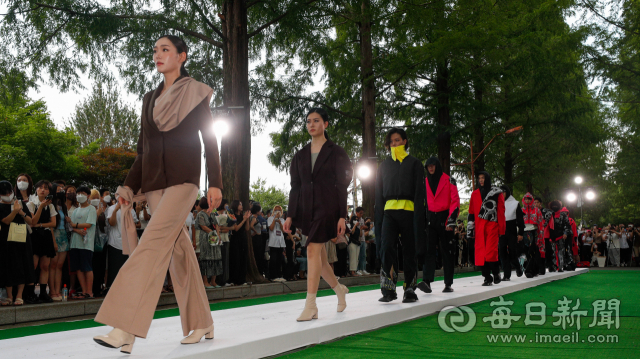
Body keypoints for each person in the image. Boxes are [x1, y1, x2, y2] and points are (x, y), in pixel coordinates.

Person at [93, 35, 222, 352]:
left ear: (182, 56)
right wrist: (128, 185)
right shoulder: (149, 98)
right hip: (152, 184)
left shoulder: (194, 93)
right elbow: (142, 150)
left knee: (151, 245)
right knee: (179, 252)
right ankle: (202, 321)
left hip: (183, 182)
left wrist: (215, 181)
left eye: (165, 49)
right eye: (155, 50)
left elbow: (210, 139)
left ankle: (125, 327)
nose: (158, 54)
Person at [284, 107, 352, 321]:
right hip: (306, 209)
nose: (311, 124)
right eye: (308, 121)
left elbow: (342, 185)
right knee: (320, 259)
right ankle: (339, 289)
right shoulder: (300, 155)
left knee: (312, 249)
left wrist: (342, 214)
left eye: (316, 120)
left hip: (328, 207)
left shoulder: (337, 152)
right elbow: (295, 186)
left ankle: (311, 305)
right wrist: (289, 215)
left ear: (326, 124)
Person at [374, 128, 426, 302]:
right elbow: (378, 194)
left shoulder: (415, 164)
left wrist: (420, 218)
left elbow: (420, 194)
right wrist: (379, 217)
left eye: (397, 140)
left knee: (409, 251)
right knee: (387, 247)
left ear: (405, 141)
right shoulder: (384, 165)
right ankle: (388, 289)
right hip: (389, 212)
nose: (394, 144)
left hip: (409, 211)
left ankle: (410, 289)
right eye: (391, 142)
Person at [419, 156, 459, 294]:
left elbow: (455, 201)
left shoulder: (449, 180)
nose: (430, 168)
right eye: (428, 166)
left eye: (433, 165)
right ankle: (427, 281)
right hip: (430, 220)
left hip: (445, 219)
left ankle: (448, 283)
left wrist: (451, 220)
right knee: (429, 251)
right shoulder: (424, 182)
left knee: (447, 252)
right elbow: (423, 203)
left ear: (437, 165)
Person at [0, 181, 36, 306]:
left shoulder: (19, 203)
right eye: (4, 193)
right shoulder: (0, 206)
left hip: (21, 239)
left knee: (22, 265)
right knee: (8, 266)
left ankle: (19, 295)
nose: (8, 195)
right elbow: (5, 221)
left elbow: (31, 220)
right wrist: (14, 211)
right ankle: (9, 296)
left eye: (9, 192)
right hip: (6, 240)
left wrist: (20, 212)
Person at [467, 171, 505, 286]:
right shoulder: (474, 194)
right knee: (481, 253)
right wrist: (470, 230)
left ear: (487, 179)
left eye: (483, 178)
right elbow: (471, 213)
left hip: (492, 225)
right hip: (479, 227)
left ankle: (496, 272)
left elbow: (501, 211)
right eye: (479, 178)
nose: (481, 180)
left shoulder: (496, 193)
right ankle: (487, 277)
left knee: (490, 252)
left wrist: (501, 229)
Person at [27, 180, 58, 303]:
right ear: (36, 189)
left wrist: (40, 225)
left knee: (45, 266)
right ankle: (30, 293)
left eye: (46, 188)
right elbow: (32, 222)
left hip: (46, 236)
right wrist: (40, 207)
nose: (43, 190)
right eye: (40, 187)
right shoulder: (31, 204)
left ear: (49, 192)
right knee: (33, 266)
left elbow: (53, 223)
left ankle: (43, 293)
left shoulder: (51, 205)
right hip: (34, 237)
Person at [104, 192, 139, 289]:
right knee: (115, 268)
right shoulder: (111, 209)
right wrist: (116, 210)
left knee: (127, 268)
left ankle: (127, 289)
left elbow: (134, 225)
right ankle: (113, 289)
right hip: (115, 244)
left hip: (128, 244)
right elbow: (112, 223)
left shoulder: (130, 209)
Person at [67, 186, 97, 299]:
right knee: (78, 268)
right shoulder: (75, 210)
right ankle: (84, 291)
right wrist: (76, 229)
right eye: (78, 193)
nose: (80, 195)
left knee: (87, 267)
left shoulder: (91, 209)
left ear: (88, 196)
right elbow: (70, 226)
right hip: (75, 243)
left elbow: (89, 224)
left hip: (86, 244)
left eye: (83, 193)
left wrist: (75, 226)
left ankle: (89, 291)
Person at [498, 185, 525, 280]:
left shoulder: (515, 203)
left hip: (512, 231)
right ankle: (506, 275)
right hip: (501, 231)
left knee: (513, 252)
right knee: (502, 252)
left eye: (503, 192)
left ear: (507, 192)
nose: (502, 194)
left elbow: (520, 220)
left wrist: (520, 233)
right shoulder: (497, 203)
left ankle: (518, 267)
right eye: (500, 193)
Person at [196, 197, 223, 288]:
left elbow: (216, 225)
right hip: (206, 238)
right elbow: (203, 226)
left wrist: (218, 234)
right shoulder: (201, 214)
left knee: (216, 257)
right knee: (206, 258)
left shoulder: (212, 214)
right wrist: (213, 233)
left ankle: (213, 281)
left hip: (214, 237)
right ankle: (205, 281)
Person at [50, 182, 70, 301]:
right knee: (52, 265)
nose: (61, 191)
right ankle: (52, 291)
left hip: (63, 235)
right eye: (58, 189)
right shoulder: (50, 205)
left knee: (60, 266)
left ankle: (58, 291)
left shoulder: (63, 206)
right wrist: (53, 241)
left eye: (62, 189)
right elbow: (52, 225)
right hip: (54, 234)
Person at [521, 193, 545, 278]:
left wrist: (540, 234)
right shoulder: (521, 210)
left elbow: (540, 223)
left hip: (533, 232)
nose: (527, 200)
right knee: (526, 251)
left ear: (531, 200)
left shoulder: (537, 210)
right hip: (524, 232)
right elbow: (518, 223)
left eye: (529, 199)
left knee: (532, 251)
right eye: (526, 199)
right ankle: (533, 270)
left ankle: (529, 270)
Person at [544, 200, 572, 272]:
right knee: (553, 251)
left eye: (556, 206)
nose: (554, 207)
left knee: (561, 251)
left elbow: (567, 225)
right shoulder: (549, 214)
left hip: (561, 235)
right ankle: (553, 266)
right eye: (553, 206)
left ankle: (561, 266)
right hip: (551, 235)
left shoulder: (563, 215)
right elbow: (544, 224)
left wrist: (565, 233)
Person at [268, 205, 287, 282]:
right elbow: (271, 228)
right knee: (273, 259)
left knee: (279, 259)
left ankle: (279, 275)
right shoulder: (270, 218)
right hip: (273, 242)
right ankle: (273, 276)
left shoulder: (282, 220)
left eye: (279, 210)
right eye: (276, 210)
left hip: (280, 242)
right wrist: (275, 218)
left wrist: (279, 222)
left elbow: (283, 231)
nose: (277, 211)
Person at [249, 203, 266, 277]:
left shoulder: (255, 217)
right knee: (258, 255)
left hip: (258, 237)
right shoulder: (254, 218)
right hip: (256, 238)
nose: (260, 212)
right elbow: (251, 226)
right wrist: (255, 232)